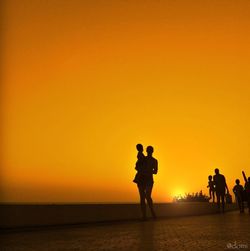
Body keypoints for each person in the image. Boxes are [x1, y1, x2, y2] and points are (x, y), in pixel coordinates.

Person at [135, 145, 158, 220]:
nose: (149, 152)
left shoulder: (154, 161)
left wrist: (149, 171)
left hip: (149, 180)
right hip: (142, 179)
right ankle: (144, 216)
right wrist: (142, 170)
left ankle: (152, 212)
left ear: (152, 151)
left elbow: (155, 171)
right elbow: (136, 167)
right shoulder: (143, 159)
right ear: (146, 151)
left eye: (150, 150)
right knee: (142, 197)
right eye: (148, 150)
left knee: (147, 196)